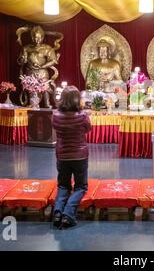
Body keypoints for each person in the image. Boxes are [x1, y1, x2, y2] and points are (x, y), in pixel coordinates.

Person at [52, 86, 92, 229]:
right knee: (80, 187)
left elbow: (56, 128)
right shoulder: (82, 116)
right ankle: (68, 214)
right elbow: (88, 129)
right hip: (79, 155)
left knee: (63, 185)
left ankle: (57, 212)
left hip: (62, 155)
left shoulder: (56, 115)